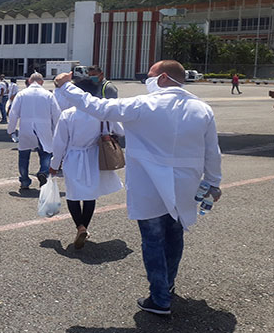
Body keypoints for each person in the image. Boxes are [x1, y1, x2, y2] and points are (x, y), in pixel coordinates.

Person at [54, 60, 222, 315]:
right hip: (185, 185)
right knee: (175, 236)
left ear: (163, 78)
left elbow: (98, 107)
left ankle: (160, 297)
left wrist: (66, 86)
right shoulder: (202, 109)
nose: (148, 81)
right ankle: (167, 286)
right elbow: (213, 151)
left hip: (149, 185)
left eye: (151, 76)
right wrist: (214, 182)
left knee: (153, 240)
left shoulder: (143, 105)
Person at [50, 78, 123, 249]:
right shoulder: (102, 112)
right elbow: (120, 130)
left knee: (73, 193)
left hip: (74, 156)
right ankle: (85, 227)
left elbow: (59, 143)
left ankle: (79, 227)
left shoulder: (68, 114)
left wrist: (54, 164)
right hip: (95, 155)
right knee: (90, 193)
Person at [7, 72, 61, 190]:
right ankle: (44, 172)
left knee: (23, 155)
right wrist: (58, 131)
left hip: (26, 128)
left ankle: (25, 181)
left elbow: (13, 113)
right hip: (44, 128)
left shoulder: (21, 94)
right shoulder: (49, 95)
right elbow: (57, 115)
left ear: (29, 81)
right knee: (46, 153)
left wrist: (11, 130)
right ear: (42, 82)